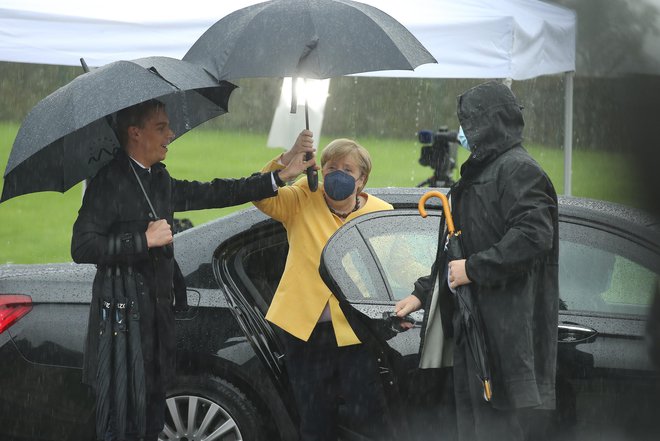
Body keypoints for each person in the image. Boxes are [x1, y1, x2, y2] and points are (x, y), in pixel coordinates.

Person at [71, 98, 310, 441]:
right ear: (134, 133)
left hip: (156, 325)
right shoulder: (107, 181)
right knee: (122, 427)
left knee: (151, 424)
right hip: (122, 328)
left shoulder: (157, 178)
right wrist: (142, 239)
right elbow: (81, 247)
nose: (171, 134)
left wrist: (279, 176)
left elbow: (214, 191)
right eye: (161, 127)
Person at [395, 80, 559, 441]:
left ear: (487, 124)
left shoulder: (518, 170)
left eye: (467, 123)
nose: (461, 133)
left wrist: (472, 269)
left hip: (502, 333)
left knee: (494, 431)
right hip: (474, 329)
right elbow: (456, 249)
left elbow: (534, 236)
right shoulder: (481, 172)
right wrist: (424, 293)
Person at [253, 132, 393, 441]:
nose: (337, 175)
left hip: (357, 332)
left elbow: (400, 266)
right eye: (330, 167)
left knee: (371, 418)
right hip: (305, 332)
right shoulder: (303, 197)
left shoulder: (381, 212)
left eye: (347, 169)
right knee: (315, 421)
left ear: (361, 180)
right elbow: (260, 195)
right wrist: (289, 158)